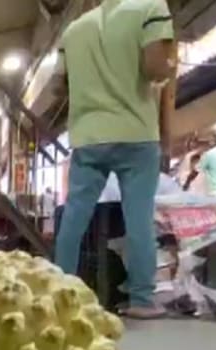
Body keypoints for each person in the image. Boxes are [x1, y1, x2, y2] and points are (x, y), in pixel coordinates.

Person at [53, 0, 177, 319]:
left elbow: (58, 86)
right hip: (136, 132)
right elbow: (155, 67)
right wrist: (170, 64)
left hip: (89, 134)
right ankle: (141, 299)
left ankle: (57, 294)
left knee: (74, 215)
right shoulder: (151, 8)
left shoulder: (73, 29)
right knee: (138, 216)